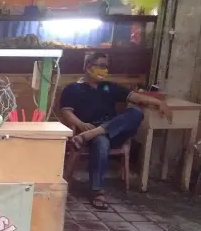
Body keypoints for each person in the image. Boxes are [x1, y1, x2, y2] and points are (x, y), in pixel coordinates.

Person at [60, 52, 172, 210]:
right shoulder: (73, 89)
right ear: (87, 67)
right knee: (101, 141)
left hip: (113, 131)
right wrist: (81, 124)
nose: (104, 70)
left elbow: (137, 98)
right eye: (100, 66)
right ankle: (97, 191)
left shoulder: (109, 87)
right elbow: (67, 112)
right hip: (90, 128)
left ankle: (94, 133)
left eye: (106, 67)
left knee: (136, 112)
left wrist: (158, 102)